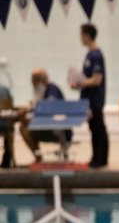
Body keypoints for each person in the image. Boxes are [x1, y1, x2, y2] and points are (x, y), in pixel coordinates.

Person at [70, 23, 108, 168]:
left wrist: (82, 83)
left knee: (98, 128)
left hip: (95, 99)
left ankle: (101, 159)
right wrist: (78, 84)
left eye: (81, 35)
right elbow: (88, 78)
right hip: (89, 99)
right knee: (94, 128)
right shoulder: (89, 54)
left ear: (87, 35)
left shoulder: (96, 55)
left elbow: (97, 79)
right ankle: (96, 157)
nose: (80, 38)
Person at [19, 69, 71, 163]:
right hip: (48, 128)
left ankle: (39, 158)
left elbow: (48, 108)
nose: (32, 83)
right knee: (23, 127)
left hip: (58, 130)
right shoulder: (41, 91)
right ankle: (38, 158)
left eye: (34, 80)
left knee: (26, 127)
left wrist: (30, 111)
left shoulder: (52, 89)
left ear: (41, 80)